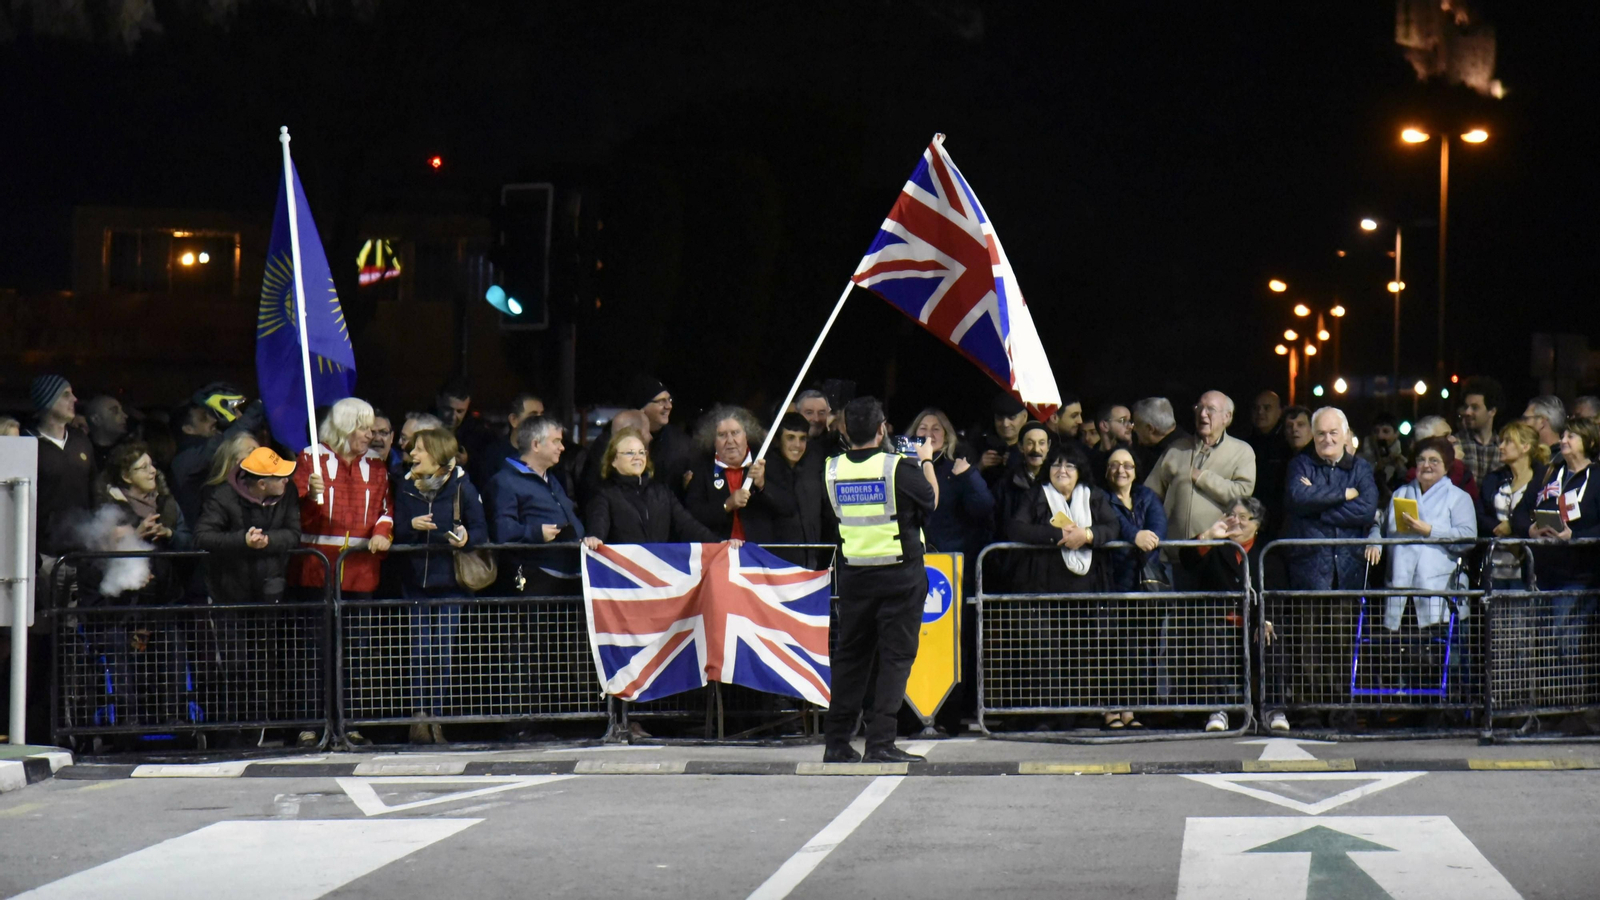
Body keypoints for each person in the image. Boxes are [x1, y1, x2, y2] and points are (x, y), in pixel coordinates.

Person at [821, 397, 937, 764]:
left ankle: (837, 743)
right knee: (894, 661)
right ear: (882, 428)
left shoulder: (832, 469)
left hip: (855, 576)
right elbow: (931, 500)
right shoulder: (898, 467)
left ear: (845, 431)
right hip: (900, 577)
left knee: (851, 660)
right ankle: (880, 743)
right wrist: (927, 459)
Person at [390, 427, 489, 743]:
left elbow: (481, 530)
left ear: (437, 454)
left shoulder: (463, 486)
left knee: (443, 653)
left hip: (450, 583)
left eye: (419, 449)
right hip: (415, 582)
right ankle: (418, 719)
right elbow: (396, 531)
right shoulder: (405, 486)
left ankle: (437, 720)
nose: (412, 454)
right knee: (419, 652)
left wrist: (466, 537)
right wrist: (411, 526)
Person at [1512, 416, 1600, 708]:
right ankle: (1549, 705)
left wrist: (1576, 536)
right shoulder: (1548, 473)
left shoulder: (1597, 478)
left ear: (1589, 442)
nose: (1563, 441)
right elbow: (1519, 513)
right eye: (1563, 436)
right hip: (1542, 573)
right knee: (1543, 642)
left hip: (1578, 575)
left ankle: (1573, 706)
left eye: (1571, 436)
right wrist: (1530, 530)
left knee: (1565, 639)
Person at [1367, 437, 1478, 632]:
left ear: (1446, 467)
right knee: (1400, 649)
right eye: (1421, 459)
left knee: (1438, 648)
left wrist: (1430, 531)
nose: (1426, 465)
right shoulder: (1400, 494)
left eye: (1434, 460)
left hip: (1438, 591)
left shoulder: (1459, 497)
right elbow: (1379, 525)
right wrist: (1374, 543)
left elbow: (1468, 538)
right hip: (1400, 587)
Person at [292, 397, 394, 598]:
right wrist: (311, 497)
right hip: (315, 569)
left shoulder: (376, 463)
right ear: (344, 427)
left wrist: (381, 534)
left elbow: (386, 510)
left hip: (362, 570)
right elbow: (295, 515)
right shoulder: (310, 458)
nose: (370, 435)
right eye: (363, 428)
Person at [1145, 391, 1256, 567]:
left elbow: (1242, 494)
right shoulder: (1176, 449)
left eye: (1210, 409)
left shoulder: (1241, 451)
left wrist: (1203, 478)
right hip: (1172, 554)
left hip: (1215, 555)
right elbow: (1150, 494)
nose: (1203, 414)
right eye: (1199, 407)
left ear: (1227, 417)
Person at [1186, 496, 1268, 731]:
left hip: (1254, 621)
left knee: (1273, 637)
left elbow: (1274, 589)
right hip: (1219, 620)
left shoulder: (1267, 551)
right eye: (1232, 516)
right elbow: (1187, 559)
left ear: (1256, 524)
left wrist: (1266, 620)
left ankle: (1272, 709)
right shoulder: (1216, 546)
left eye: (1243, 517)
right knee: (1210, 640)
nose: (1236, 522)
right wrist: (1209, 535)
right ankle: (1218, 709)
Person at [1283, 408, 1378, 592]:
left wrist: (1315, 509)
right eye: (1321, 433)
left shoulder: (1361, 468)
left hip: (1350, 568)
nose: (1327, 439)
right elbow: (1296, 498)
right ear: (1313, 436)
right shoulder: (1300, 464)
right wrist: (1344, 494)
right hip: (1308, 569)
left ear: (1345, 434)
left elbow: (1367, 510)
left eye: (1333, 433)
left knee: (1346, 613)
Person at [194, 447, 302, 604]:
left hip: (273, 589)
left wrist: (267, 540)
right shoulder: (223, 496)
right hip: (230, 592)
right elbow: (202, 536)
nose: (286, 480)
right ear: (262, 484)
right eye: (280, 477)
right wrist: (243, 541)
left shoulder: (289, 491)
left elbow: (294, 533)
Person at [489, 415, 583, 594]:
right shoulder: (504, 481)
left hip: (570, 576)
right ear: (536, 445)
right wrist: (536, 533)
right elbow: (501, 530)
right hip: (536, 581)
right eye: (556, 441)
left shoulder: (552, 479)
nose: (562, 447)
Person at [582, 428, 721, 546]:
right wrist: (594, 538)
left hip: (658, 568)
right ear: (613, 460)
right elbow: (598, 524)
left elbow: (688, 526)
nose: (637, 457)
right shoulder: (604, 493)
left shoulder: (662, 492)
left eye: (641, 452)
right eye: (630, 453)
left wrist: (720, 543)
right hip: (623, 569)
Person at [683, 405, 796, 543]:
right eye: (722, 435)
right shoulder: (702, 469)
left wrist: (763, 485)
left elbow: (789, 508)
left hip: (759, 551)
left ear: (746, 435)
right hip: (720, 550)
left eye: (735, 433)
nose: (730, 440)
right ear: (713, 440)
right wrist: (726, 505)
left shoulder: (766, 463)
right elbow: (692, 516)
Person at [911, 407, 995, 568]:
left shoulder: (957, 468)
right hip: (912, 558)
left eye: (936, 429)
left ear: (946, 435)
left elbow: (984, 507)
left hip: (949, 557)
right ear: (914, 434)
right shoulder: (903, 469)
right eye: (923, 428)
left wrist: (970, 475)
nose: (928, 434)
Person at [26, 375, 96, 555]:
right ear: (47, 400)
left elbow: (94, 488)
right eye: (66, 394)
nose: (74, 399)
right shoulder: (28, 442)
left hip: (82, 545)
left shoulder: (80, 440)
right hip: (43, 550)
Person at [1477, 421, 1548, 588]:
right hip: (1494, 568)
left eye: (1508, 441)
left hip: (1529, 568)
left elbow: (1542, 517)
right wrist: (1498, 527)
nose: (1501, 446)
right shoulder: (1493, 479)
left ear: (1525, 447)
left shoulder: (1543, 480)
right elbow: (1480, 514)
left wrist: (1513, 527)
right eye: (1501, 441)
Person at [763, 413, 831, 567]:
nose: (797, 445)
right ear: (778, 440)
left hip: (814, 559)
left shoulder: (815, 461)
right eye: (790, 438)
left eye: (802, 438)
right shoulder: (765, 468)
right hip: (777, 563)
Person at [1104, 447, 1165, 593]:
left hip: (1147, 573)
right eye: (1114, 465)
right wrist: (1135, 536)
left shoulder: (1147, 494)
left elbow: (1159, 524)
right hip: (1115, 576)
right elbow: (1113, 519)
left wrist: (1148, 543)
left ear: (1135, 471)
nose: (1121, 470)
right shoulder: (1099, 496)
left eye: (1127, 466)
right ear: (1106, 470)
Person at [631, 375, 693, 497]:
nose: (669, 406)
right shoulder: (616, 441)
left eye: (669, 400)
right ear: (642, 407)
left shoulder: (683, 444)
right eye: (661, 401)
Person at [1254, 405, 1311, 527]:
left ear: (1312, 429)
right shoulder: (1279, 457)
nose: (1294, 429)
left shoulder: (1320, 459)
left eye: (1301, 425)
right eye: (1289, 426)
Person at [472, 393, 543, 491]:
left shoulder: (548, 453)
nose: (540, 422)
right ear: (514, 420)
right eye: (533, 416)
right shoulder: (493, 454)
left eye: (542, 416)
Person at [994, 420, 1052, 535]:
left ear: (1048, 446)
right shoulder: (1006, 483)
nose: (1036, 449)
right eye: (1030, 443)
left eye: (1041, 443)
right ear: (1021, 446)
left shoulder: (1056, 481)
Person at [1408, 416, 1479, 503]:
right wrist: (1455, 464)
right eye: (1446, 436)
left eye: (1451, 434)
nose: (1454, 439)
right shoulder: (1415, 475)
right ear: (1427, 443)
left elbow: (1471, 503)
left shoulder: (1465, 473)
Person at [1456, 377, 1503, 484]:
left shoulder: (1502, 446)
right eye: (1466, 407)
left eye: (1475, 407)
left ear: (1492, 411)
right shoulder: (1457, 443)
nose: (1467, 412)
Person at [978, 393, 1030, 484]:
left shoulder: (1032, 446)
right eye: (999, 418)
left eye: (1012, 418)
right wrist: (979, 467)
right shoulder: (979, 443)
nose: (1005, 424)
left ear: (1024, 417)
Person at [1131, 396, 1186, 478]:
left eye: (1136, 424)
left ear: (1150, 428)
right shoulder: (1148, 446)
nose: (1133, 428)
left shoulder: (1181, 454)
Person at [1358, 412, 1408, 501]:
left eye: (1386, 431)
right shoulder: (1359, 462)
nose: (1380, 436)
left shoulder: (1403, 462)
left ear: (1396, 434)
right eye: (1376, 431)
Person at [83, 394, 130, 470]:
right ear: (96, 419)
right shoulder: (81, 450)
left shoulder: (129, 449)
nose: (125, 416)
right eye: (115, 411)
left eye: (122, 410)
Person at [369, 409, 397, 473]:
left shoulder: (401, 468)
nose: (377, 438)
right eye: (372, 433)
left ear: (392, 437)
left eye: (383, 432)